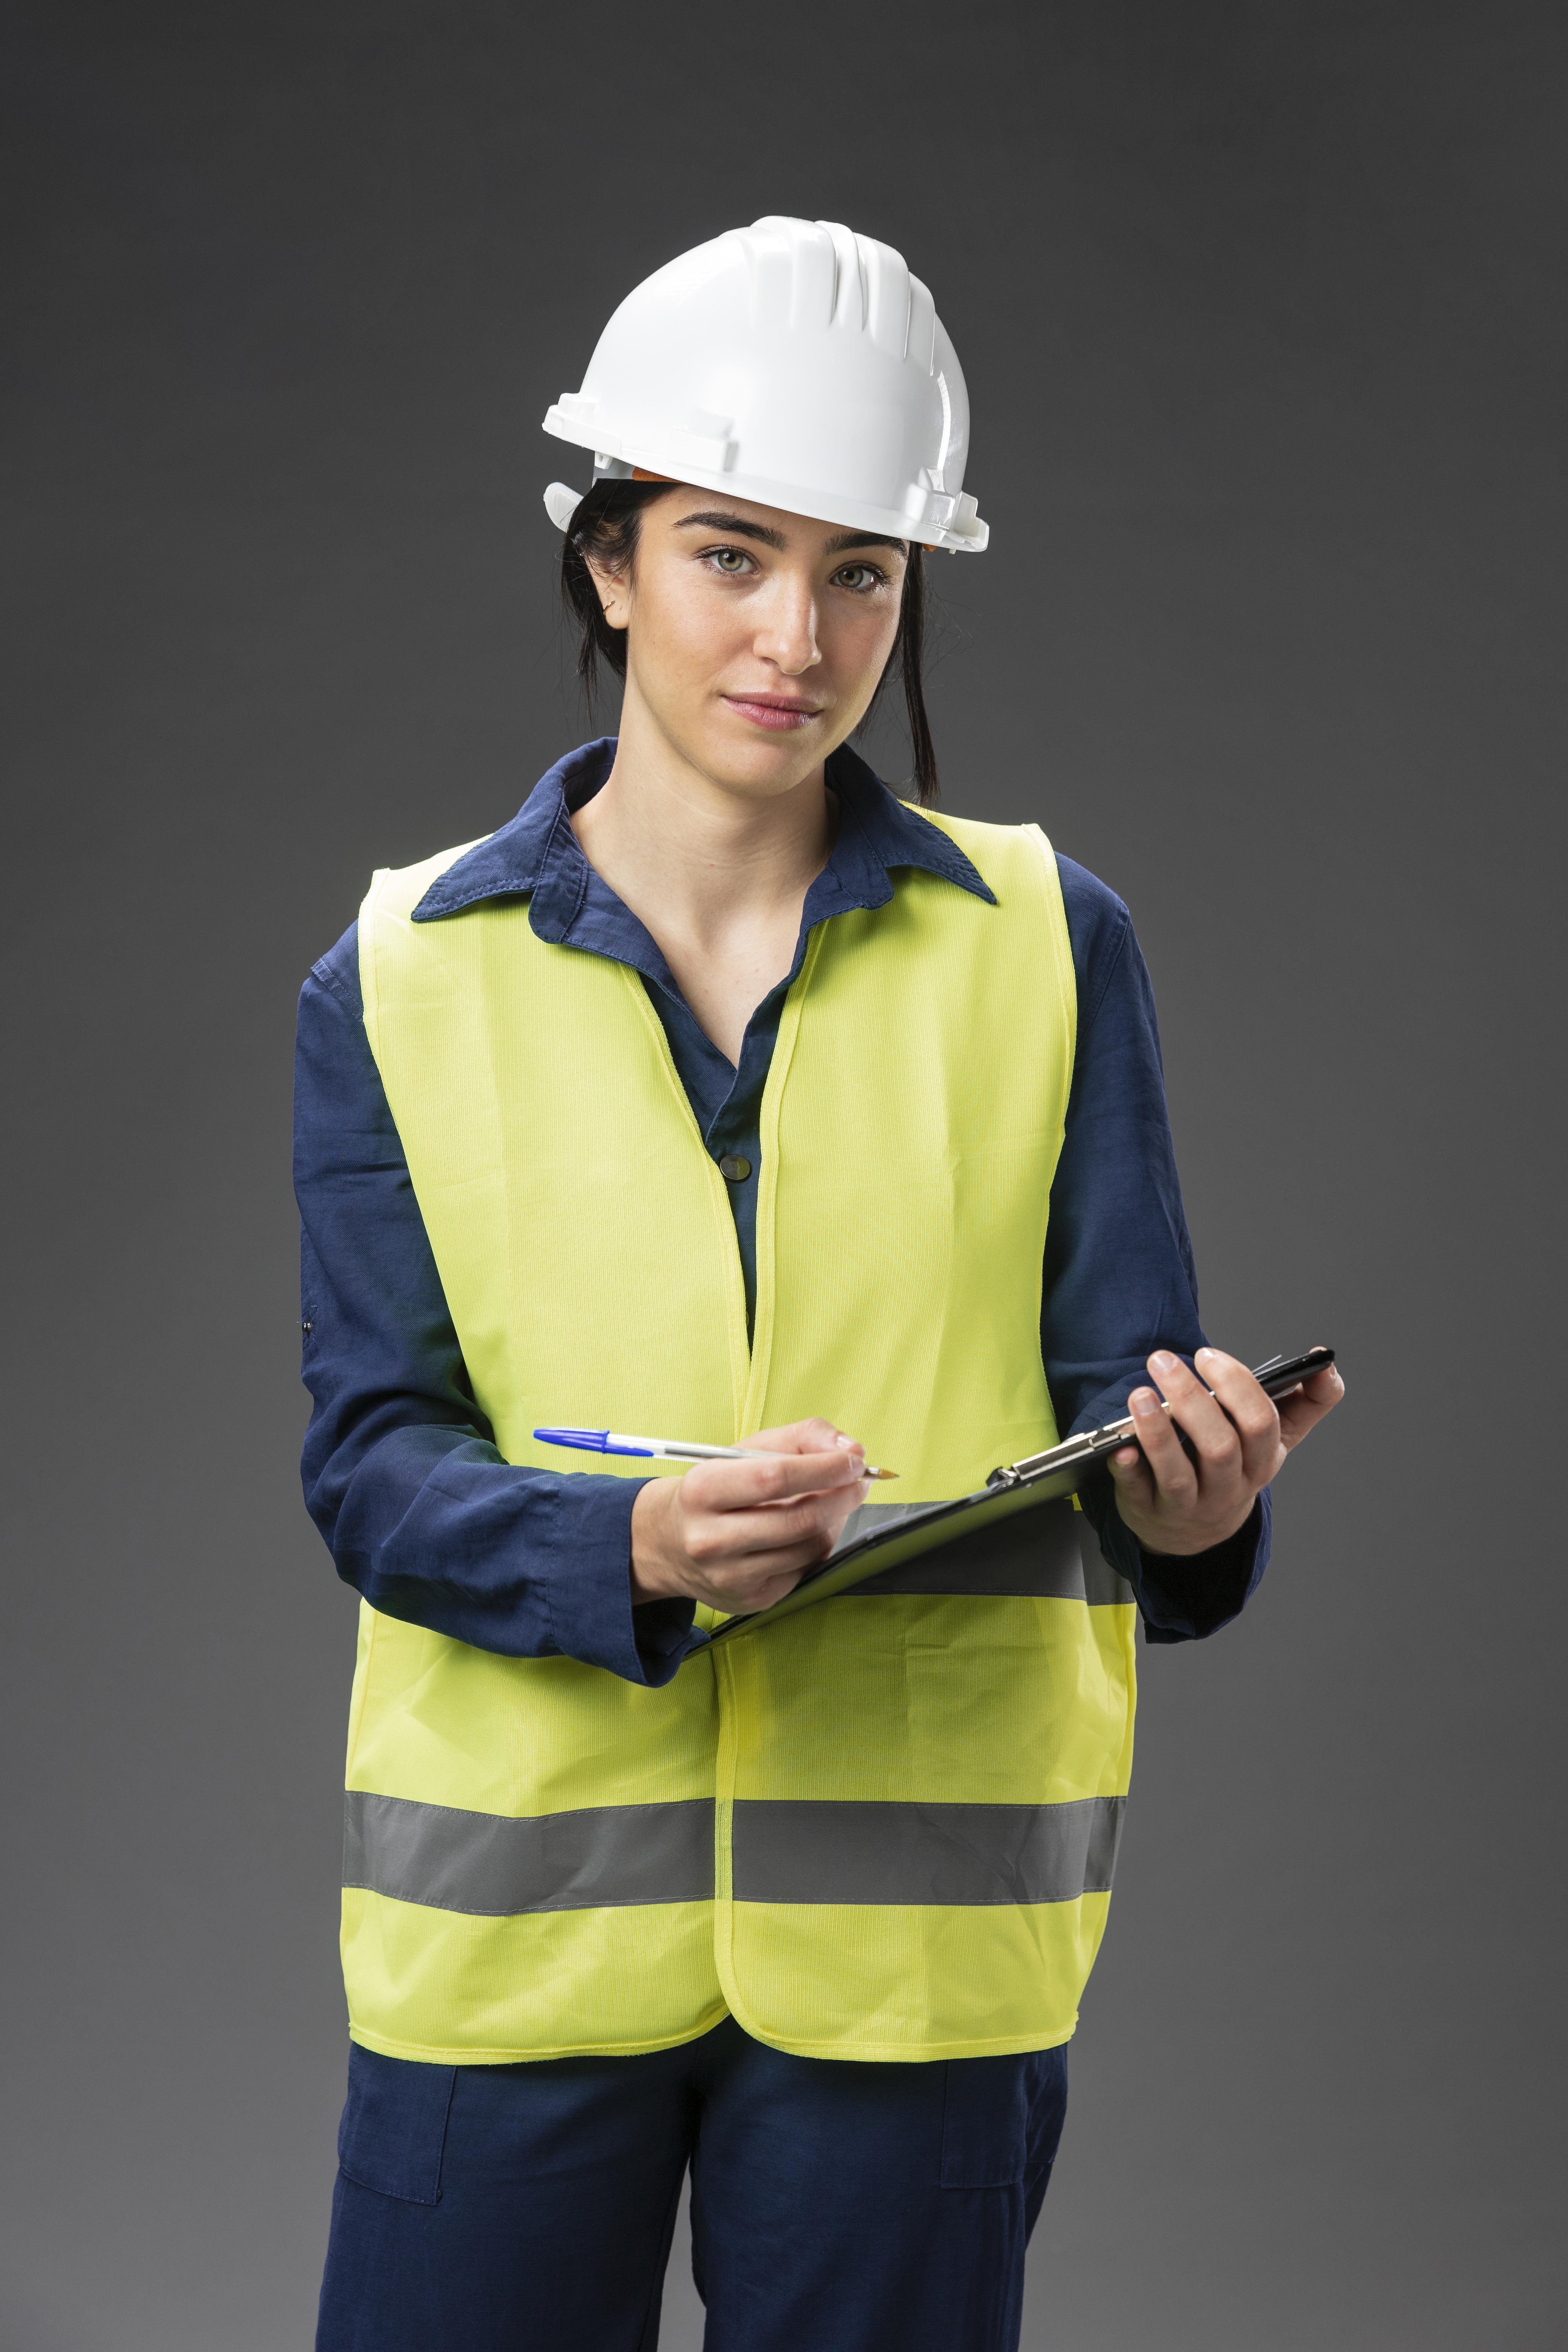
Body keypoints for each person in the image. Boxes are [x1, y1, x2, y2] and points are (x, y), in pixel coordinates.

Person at [295, 216, 1343, 2352]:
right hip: (517, 1935)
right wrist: (634, 1552)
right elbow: (372, 1463)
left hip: (916, 1970)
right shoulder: (396, 977)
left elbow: (1114, 1413)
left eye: (863, 569)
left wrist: (1195, 1503)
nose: (799, 632)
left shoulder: (1055, 944)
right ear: (607, 560)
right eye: (728, 553)